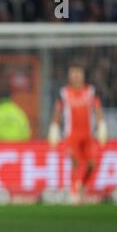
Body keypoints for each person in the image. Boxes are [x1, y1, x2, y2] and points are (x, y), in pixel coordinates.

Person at [48, 63, 107, 204]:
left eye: (78, 73)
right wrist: (54, 128)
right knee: (75, 162)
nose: (75, 76)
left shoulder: (91, 92)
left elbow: (97, 109)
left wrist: (101, 125)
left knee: (92, 164)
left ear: (83, 75)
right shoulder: (63, 93)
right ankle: (74, 192)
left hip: (88, 136)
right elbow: (57, 112)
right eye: (73, 73)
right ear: (69, 76)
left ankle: (83, 186)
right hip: (71, 136)